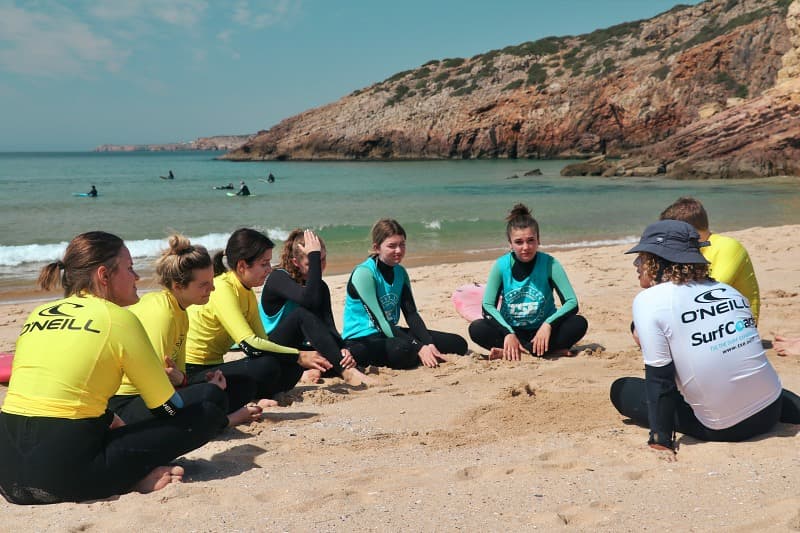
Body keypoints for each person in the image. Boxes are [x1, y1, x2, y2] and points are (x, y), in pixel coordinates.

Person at [0, 231, 228, 505]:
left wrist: (108, 418)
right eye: (130, 269)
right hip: (64, 476)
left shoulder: (39, 314)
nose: (137, 277)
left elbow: (63, 390)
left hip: (7, 471)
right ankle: (131, 479)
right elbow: (167, 408)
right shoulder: (119, 319)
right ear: (103, 276)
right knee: (207, 411)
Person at [610, 220, 800, 460]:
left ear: (658, 261)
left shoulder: (649, 300)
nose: (636, 263)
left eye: (642, 257)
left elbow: (660, 380)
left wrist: (660, 440)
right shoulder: (728, 291)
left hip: (725, 426)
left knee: (621, 389)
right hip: (772, 409)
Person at [109, 234, 264, 428]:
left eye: (211, 281)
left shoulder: (181, 312)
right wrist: (203, 390)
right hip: (127, 402)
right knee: (212, 394)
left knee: (243, 385)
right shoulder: (163, 314)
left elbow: (178, 375)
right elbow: (153, 384)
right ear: (178, 286)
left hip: (155, 394)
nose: (213, 289)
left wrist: (187, 381)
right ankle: (225, 421)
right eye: (204, 285)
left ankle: (212, 416)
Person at [185, 228, 331, 402]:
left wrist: (295, 358)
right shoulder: (223, 288)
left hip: (216, 368)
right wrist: (298, 354)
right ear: (242, 266)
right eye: (264, 264)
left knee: (291, 368)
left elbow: (263, 341)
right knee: (268, 366)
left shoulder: (247, 292)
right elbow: (250, 345)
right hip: (193, 372)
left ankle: (255, 394)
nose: (269, 269)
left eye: (269, 263)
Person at [341, 219, 468, 369]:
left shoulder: (400, 272)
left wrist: (428, 343)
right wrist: (419, 347)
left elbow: (411, 314)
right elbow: (380, 322)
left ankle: (421, 353)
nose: (399, 250)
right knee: (404, 350)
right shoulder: (364, 274)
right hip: (362, 338)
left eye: (402, 244)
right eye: (392, 246)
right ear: (376, 248)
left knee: (458, 343)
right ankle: (416, 354)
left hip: (390, 333)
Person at [468, 204, 587, 360]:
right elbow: (487, 307)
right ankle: (541, 352)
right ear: (510, 243)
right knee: (477, 328)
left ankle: (515, 353)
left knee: (579, 323)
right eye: (519, 242)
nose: (526, 247)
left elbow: (572, 303)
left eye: (531, 240)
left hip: (544, 333)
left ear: (539, 240)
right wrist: (508, 332)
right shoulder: (501, 266)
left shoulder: (550, 264)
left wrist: (548, 325)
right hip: (512, 330)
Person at [260, 229, 372, 386]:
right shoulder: (278, 278)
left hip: (301, 350)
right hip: (273, 349)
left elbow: (329, 327)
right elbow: (309, 301)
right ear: (295, 262)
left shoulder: (321, 288)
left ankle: (307, 371)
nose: (319, 266)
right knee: (301, 314)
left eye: (322, 259)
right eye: (312, 262)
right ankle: (346, 373)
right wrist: (314, 256)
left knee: (358, 350)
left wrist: (343, 350)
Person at [660, 196, 760, 323]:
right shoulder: (689, 251)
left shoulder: (727, 246)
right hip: (709, 317)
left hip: (738, 324)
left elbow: (712, 291)